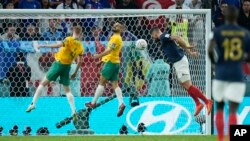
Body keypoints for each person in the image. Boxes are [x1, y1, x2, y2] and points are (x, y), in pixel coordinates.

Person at [208, 6, 250, 141]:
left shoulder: (217, 31)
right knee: (233, 110)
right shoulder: (244, 33)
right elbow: (248, 56)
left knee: (219, 107)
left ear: (225, 17)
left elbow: (210, 49)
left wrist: (215, 63)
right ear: (237, 17)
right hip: (237, 74)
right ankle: (232, 138)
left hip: (221, 73)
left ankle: (220, 139)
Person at [150, 27, 213, 116]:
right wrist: (190, 52)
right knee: (184, 85)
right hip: (178, 62)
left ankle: (207, 101)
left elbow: (177, 38)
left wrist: (187, 46)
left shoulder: (163, 36)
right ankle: (198, 104)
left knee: (188, 85)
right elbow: (178, 43)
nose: (153, 39)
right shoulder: (163, 39)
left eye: (152, 36)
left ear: (155, 34)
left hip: (180, 62)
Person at [26, 25, 84, 121]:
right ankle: (73, 111)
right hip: (67, 67)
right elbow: (80, 61)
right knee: (68, 91)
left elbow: (58, 45)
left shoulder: (69, 39)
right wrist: (75, 72)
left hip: (58, 64)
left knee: (42, 84)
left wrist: (44, 45)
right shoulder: (81, 46)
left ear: (73, 31)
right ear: (81, 33)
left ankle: (33, 104)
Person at [85, 23, 125, 117]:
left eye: (117, 26)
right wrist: (101, 61)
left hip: (111, 63)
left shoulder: (116, 38)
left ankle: (93, 103)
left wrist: (98, 56)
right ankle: (121, 104)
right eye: (114, 25)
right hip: (115, 63)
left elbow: (109, 50)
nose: (115, 26)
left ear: (121, 29)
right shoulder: (115, 37)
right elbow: (111, 52)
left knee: (101, 82)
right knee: (115, 84)